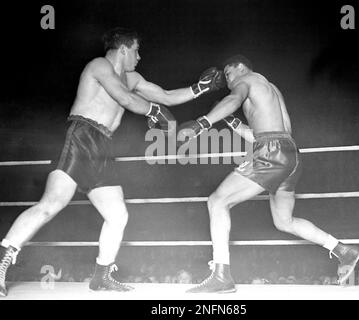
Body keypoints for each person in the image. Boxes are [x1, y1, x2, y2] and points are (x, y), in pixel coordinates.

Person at [0, 27, 224, 297]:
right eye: (137, 51)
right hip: (81, 136)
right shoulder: (99, 66)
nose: (139, 57)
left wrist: (199, 89)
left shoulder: (132, 77)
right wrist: (153, 111)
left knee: (117, 215)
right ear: (124, 49)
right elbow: (125, 98)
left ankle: (102, 275)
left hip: (103, 145)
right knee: (51, 204)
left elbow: (165, 96)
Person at [178, 54, 359, 293]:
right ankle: (343, 250)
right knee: (284, 221)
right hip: (290, 153)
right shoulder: (270, 89)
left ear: (241, 68)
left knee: (217, 201)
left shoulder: (248, 79)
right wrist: (231, 123)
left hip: (272, 152)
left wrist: (201, 123)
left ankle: (221, 275)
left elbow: (233, 99)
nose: (227, 80)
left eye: (228, 73)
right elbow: (263, 132)